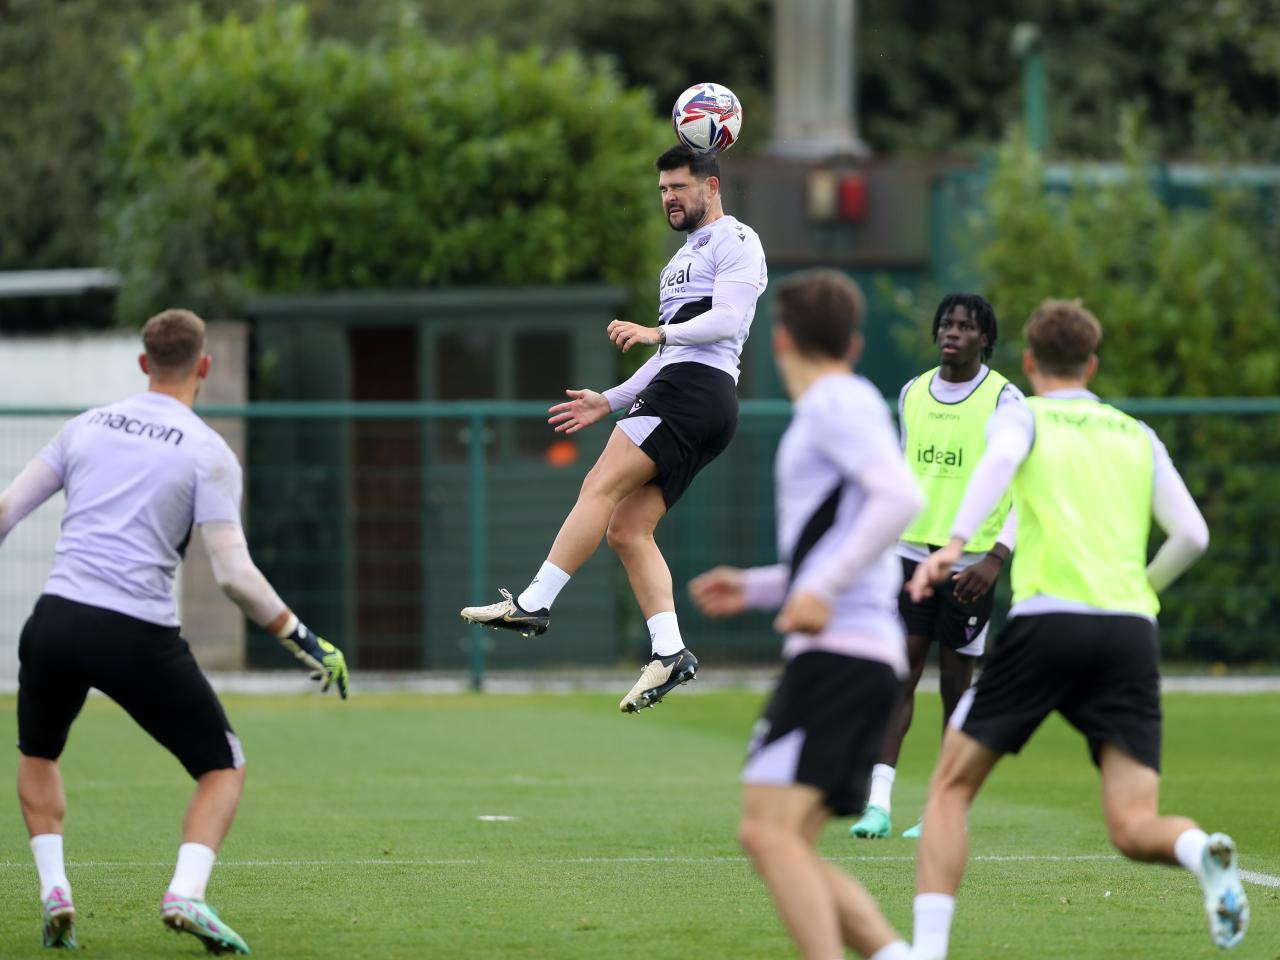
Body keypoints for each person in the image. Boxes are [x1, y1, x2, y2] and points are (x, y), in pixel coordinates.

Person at [904, 299, 1247, 958]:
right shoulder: (1136, 433)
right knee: (1133, 824)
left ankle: (927, 950)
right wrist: (1143, 590)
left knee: (949, 789)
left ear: (1030, 361)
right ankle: (1198, 849)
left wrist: (953, 545)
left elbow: (999, 462)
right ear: (1091, 365)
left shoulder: (1022, 414)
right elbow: (1194, 535)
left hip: (1050, 622)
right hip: (1129, 631)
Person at [1, 309, 350, 954]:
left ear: (143, 362)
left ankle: (55, 892)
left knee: (38, 755)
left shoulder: (86, 426)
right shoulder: (206, 451)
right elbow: (235, 576)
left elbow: (3, 511)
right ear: (204, 366)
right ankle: (185, 893)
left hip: (56, 621)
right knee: (223, 766)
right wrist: (303, 638)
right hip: (135, 633)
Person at [461, 143, 768, 713]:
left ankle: (534, 603)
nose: (669, 198)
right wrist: (610, 399)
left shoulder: (738, 239)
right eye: (663, 190)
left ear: (711, 187)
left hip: (694, 392)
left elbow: (726, 321)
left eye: (679, 187)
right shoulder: (680, 260)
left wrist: (656, 332)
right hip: (690, 392)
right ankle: (670, 652)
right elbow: (670, 353)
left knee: (597, 486)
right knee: (628, 529)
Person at [688, 270, 922, 960]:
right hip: (845, 654)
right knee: (778, 839)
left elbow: (900, 498)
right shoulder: (840, 402)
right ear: (854, 343)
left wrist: (820, 586)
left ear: (780, 339)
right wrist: (762, 587)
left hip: (844, 655)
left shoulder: (834, 403)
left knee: (770, 834)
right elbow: (845, 531)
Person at [851, 293, 1023, 841]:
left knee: (955, 688)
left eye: (965, 326)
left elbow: (1025, 489)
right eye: (946, 323)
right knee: (897, 677)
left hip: (972, 565)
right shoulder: (912, 392)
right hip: (909, 556)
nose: (953, 332)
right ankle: (877, 805)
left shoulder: (1005, 400)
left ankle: (946, 810)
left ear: (985, 338)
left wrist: (996, 558)